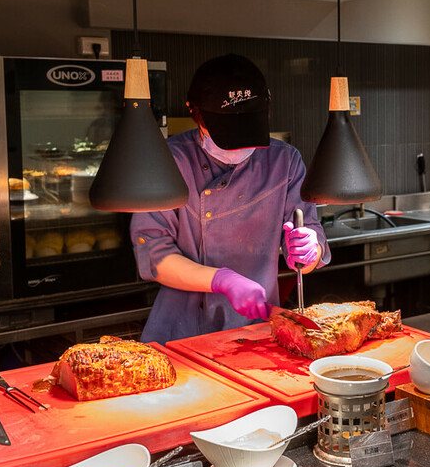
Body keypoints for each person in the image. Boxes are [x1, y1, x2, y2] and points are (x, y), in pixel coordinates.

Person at [131, 53, 330, 345]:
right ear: (196, 115)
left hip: (256, 328)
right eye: (227, 134)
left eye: (247, 133)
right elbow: (154, 254)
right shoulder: (168, 160)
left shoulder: (284, 161)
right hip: (181, 334)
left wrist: (308, 252)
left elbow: (310, 238)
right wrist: (221, 280)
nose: (239, 147)